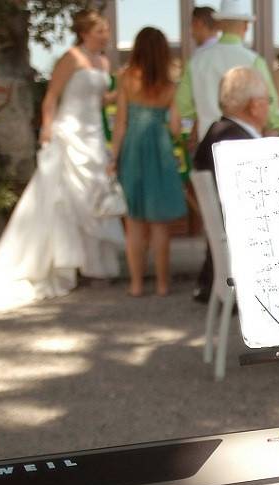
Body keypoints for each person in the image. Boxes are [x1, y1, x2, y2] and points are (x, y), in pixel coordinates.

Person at [0, 9, 123, 312]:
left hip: (93, 136)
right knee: (64, 199)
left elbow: (101, 98)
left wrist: (124, 91)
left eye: (106, 30)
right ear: (85, 32)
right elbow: (51, 96)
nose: (106, 34)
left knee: (92, 196)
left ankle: (93, 266)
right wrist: (47, 131)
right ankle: (67, 264)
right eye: (101, 30)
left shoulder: (104, 62)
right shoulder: (70, 58)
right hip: (69, 133)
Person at [111, 27, 186, 297]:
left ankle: (136, 285)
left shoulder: (126, 79)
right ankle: (163, 285)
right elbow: (176, 127)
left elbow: (120, 124)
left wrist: (113, 158)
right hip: (160, 150)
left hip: (132, 150)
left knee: (134, 223)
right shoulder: (170, 86)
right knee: (159, 224)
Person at [192, 67, 269, 300]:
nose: (269, 107)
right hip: (250, 251)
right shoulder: (237, 143)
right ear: (255, 105)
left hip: (228, 250)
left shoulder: (218, 133)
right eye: (269, 101)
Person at [175, 0, 279, 142]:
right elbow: (270, 108)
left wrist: (203, 110)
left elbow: (182, 105)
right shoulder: (254, 61)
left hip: (207, 142)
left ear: (219, 24)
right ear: (246, 26)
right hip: (244, 143)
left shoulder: (196, 62)